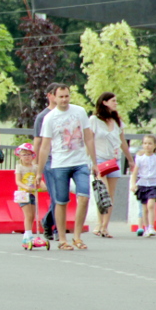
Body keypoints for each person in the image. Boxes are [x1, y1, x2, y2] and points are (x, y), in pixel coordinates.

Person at [34, 84, 99, 250]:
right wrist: (39, 172)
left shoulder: (79, 112)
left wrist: (95, 162)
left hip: (80, 163)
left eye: (66, 96)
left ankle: (77, 237)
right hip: (59, 164)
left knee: (83, 197)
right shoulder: (50, 118)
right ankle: (63, 239)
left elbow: (89, 138)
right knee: (61, 202)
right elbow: (44, 146)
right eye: (61, 96)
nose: (64, 100)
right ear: (54, 97)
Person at [91, 91, 134, 239]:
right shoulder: (94, 120)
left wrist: (130, 159)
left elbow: (122, 141)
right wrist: (91, 161)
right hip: (99, 159)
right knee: (103, 192)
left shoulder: (117, 121)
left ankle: (105, 226)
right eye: (113, 101)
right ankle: (99, 223)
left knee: (111, 195)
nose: (116, 103)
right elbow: (89, 141)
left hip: (113, 160)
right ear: (105, 102)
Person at [33, 82, 61, 241]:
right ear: (50, 96)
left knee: (61, 196)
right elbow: (37, 142)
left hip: (63, 159)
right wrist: (37, 165)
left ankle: (47, 221)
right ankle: (57, 228)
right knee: (56, 196)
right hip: (49, 161)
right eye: (58, 95)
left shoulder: (66, 114)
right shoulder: (43, 117)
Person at [129, 134, 156, 237]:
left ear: (154, 145)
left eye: (150, 143)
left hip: (154, 184)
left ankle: (151, 226)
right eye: (145, 143)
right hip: (143, 184)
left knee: (151, 205)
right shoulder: (140, 159)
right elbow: (135, 173)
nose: (147, 146)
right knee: (144, 208)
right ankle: (146, 227)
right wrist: (133, 184)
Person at [13, 142, 44, 250]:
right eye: (24, 154)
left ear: (33, 156)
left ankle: (28, 234)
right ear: (20, 156)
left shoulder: (35, 168)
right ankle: (28, 236)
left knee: (33, 215)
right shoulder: (19, 167)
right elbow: (18, 181)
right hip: (23, 194)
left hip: (32, 193)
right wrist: (26, 187)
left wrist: (44, 187)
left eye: (29, 154)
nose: (27, 157)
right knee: (28, 215)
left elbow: (39, 180)